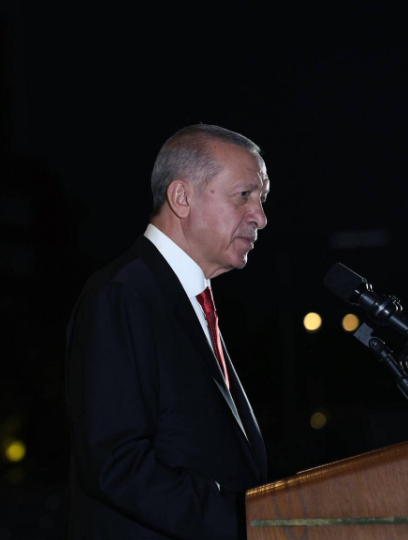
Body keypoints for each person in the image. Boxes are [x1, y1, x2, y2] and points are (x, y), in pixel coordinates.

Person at [65, 124, 270, 539]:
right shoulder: (122, 294)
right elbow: (118, 463)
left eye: (262, 199)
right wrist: (245, 524)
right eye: (244, 195)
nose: (260, 217)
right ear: (181, 197)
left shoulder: (186, 297)